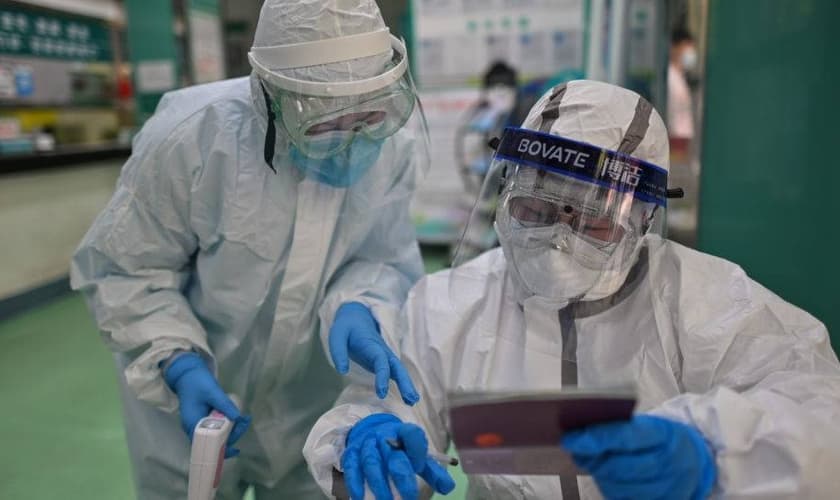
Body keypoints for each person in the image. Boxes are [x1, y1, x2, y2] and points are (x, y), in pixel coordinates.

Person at [304, 80, 840, 499]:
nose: (557, 240)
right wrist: (366, 441)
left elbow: (820, 414)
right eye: (534, 209)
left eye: (590, 219)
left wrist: (715, 452)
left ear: (645, 219)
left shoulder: (707, 301)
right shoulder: (447, 303)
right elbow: (388, 411)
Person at [70, 0, 429, 498]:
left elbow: (381, 254)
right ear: (270, 100)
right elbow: (126, 267)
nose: (353, 141)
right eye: (325, 126)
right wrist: (177, 362)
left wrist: (360, 305)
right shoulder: (192, 138)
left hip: (311, 399)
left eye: (368, 115)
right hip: (191, 404)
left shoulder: (394, 142)